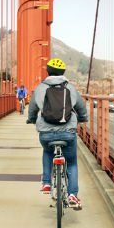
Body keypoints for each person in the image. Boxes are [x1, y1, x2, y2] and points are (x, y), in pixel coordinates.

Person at [27, 58, 88, 210]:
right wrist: (82, 118)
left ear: (48, 71)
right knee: (72, 162)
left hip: (46, 133)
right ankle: (73, 195)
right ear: (63, 73)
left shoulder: (40, 87)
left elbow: (33, 108)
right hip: (68, 133)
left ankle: (47, 183)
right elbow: (81, 107)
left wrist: (32, 119)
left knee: (47, 152)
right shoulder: (70, 87)